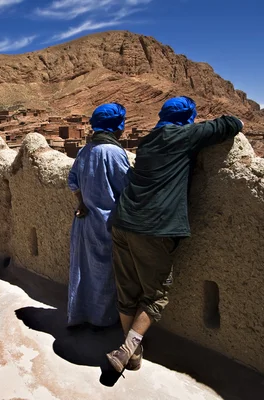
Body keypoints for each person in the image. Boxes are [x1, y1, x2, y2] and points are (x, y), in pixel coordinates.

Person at [106, 96, 244, 372]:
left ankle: (132, 353)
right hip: (153, 227)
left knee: (127, 288)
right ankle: (126, 349)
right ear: (188, 118)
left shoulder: (147, 140)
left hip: (122, 221)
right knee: (156, 293)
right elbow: (232, 124)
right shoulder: (184, 135)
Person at [67, 103, 131, 328]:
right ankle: (102, 322)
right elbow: (127, 188)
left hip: (83, 223)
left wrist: (82, 202)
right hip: (105, 225)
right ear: (116, 126)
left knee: (83, 271)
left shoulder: (86, 150)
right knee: (104, 275)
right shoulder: (113, 152)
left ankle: (81, 316)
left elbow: (72, 180)